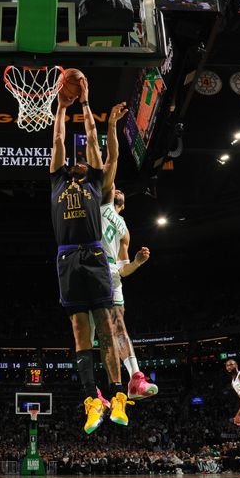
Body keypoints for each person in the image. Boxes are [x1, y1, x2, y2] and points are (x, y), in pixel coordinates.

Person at [50, 77, 131, 434]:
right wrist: (61, 109)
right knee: (80, 331)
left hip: (95, 256)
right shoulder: (57, 178)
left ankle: (117, 396)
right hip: (67, 258)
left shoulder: (97, 183)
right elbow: (58, 140)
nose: (80, 161)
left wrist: (85, 104)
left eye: (86, 159)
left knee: (107, 328)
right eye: (76, 160)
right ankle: (91, 400)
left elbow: (96, 142)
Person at [89, 102, 157, 404]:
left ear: (124, 203)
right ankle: (98, 391)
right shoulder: (104, 202)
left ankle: (135, 378)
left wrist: (139, 264)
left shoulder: (125, 228)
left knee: (118, 326)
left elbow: (124, 268)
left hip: (112, 275)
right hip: (89, 270)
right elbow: (113, 158)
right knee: (95, 337)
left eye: (121, 193)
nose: (117, 190)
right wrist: (112, 127)